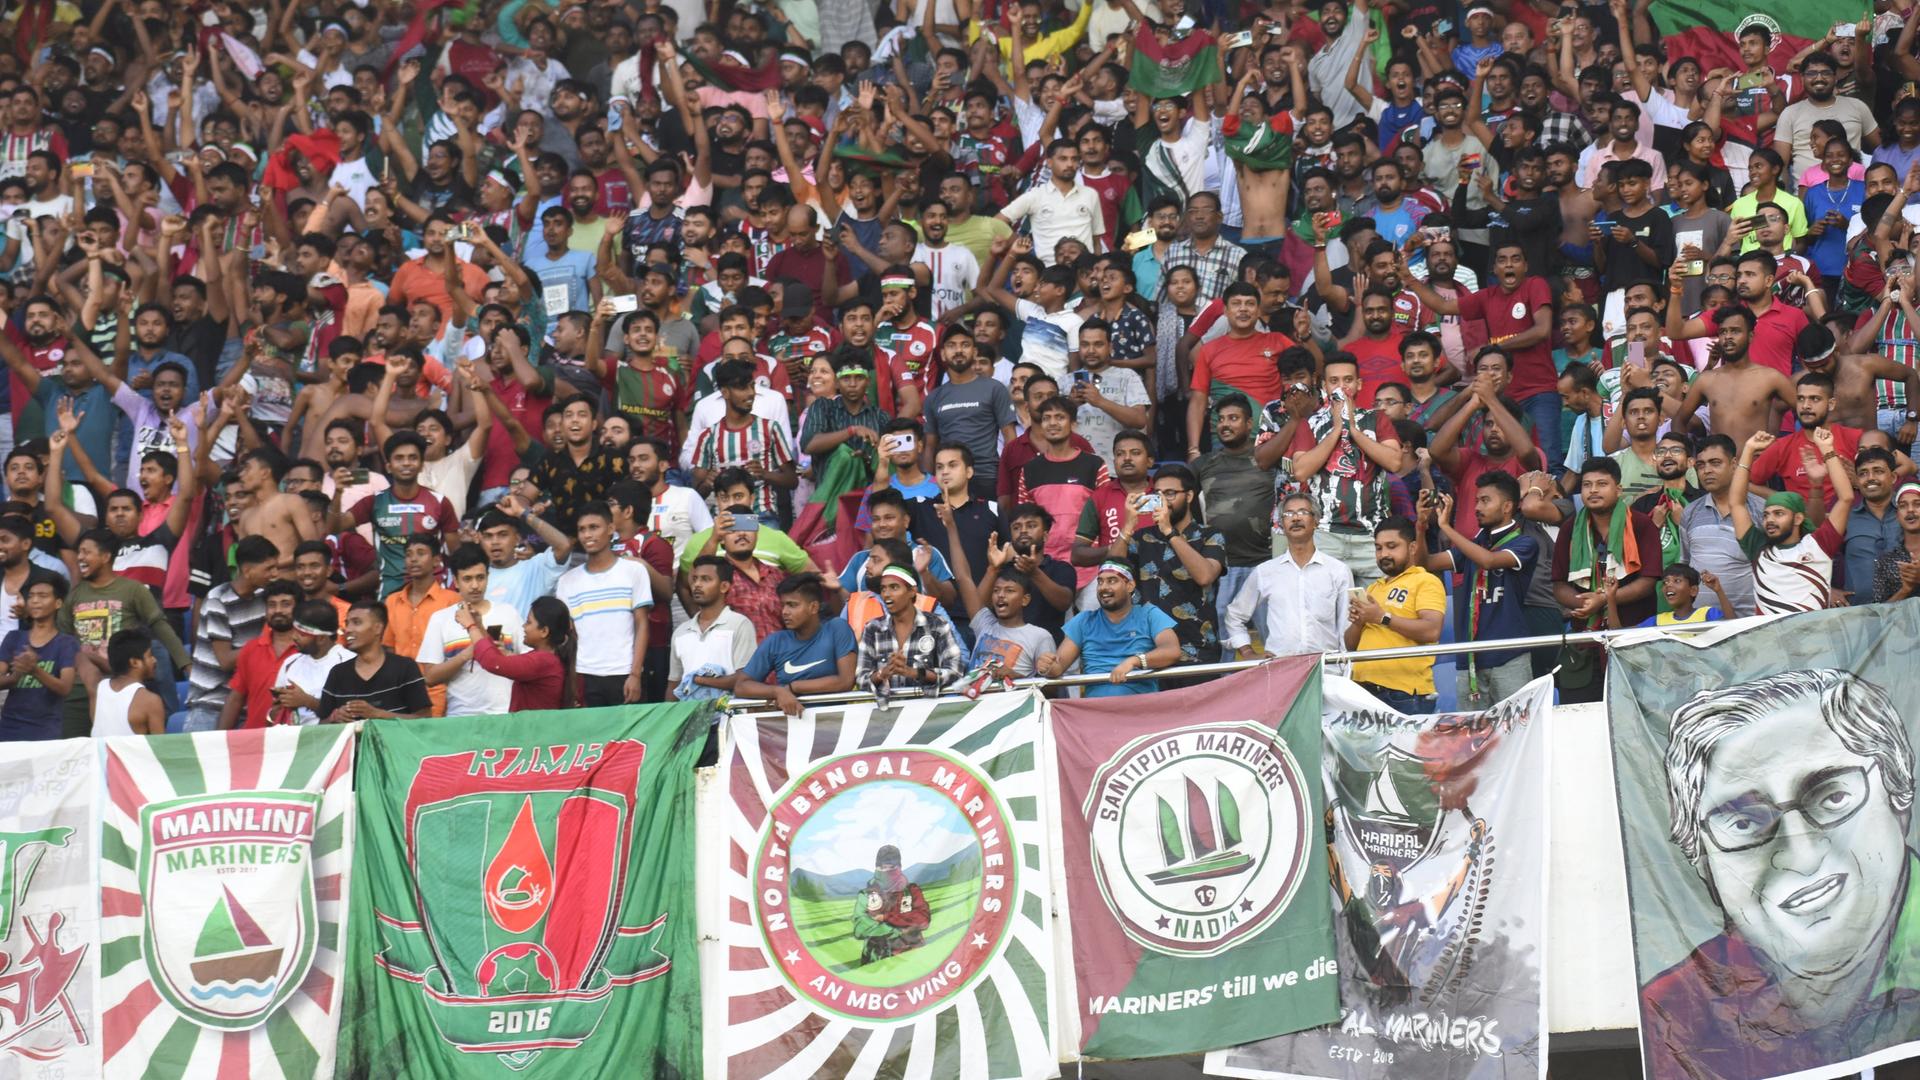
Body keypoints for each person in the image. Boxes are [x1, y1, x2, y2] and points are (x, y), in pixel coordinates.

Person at [1648, 670, 1920, 1080]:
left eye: (1833, 796)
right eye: (1743, 822)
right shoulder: (1677, 1011)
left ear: (1899, 792)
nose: (1801, 854)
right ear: (1702, 859)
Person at [1422, 473, 1543, 710]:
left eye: (1485, 500)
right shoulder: (1473, 546)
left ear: (1507, 506)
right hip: (1470, 658)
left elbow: (1488, 561)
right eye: (1476, 501)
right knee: (1472, 739)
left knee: (1515, 732)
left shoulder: (1524, 543)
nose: (1477, 507)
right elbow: (1426, 563)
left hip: (1509, 656)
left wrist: (1447, 526)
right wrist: (1420, 524)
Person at [1551, 458, 1663, 699]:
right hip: (1585, 645)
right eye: (1587, 485)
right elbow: (1558, 584)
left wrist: (1603, 599)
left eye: (1602, 484)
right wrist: (1583, 603)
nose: (1593, 490)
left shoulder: (1642, 525)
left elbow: (1648, 581)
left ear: (1618, 489)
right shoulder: (1570, 529)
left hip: (1634, 639)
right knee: (1581, 721)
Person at [1289, 355, 1405, 583]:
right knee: (1327, 614)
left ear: (1359, 384)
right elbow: (1301, 471)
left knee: (1373, 613)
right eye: (1334, 381)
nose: (1342, 387)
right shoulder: (1309, 423)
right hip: (1326, 535)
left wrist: (1353, 429)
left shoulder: (1377, 418)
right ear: (1324, 386)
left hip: (1372, 537)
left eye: (1348, 380)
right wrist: (1336, 430)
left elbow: (1394, 462)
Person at [1106, 465, 1226, 665]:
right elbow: (1112, 572)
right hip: (1148, 651)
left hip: (1198, 649)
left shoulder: (1210, 535)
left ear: (1189, 496)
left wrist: (1170, 532)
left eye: (1169, 494)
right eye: (1157, 494)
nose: (1162, 501)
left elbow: (1205, 576)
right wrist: (1127, 526)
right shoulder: (1141, 538)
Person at [1730, 428, 1855, 614]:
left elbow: (1845, 498)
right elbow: (1737, 504)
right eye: (1766, 515)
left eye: (1779, 514)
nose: (1770, 520)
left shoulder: (1818, 544)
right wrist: (1748, 450)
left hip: (1813, 641)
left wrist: (1827, 450)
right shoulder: (1758, 548)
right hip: (1769, 641)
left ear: (1798, 518)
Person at [1223, 492, 1355, 661]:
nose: (1295, 518)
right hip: (1281, 670)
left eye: (1302, 512)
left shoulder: (1338, 570)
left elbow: (1347, 625)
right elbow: (1234, 615)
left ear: (1316, 521)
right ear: (1282, 524)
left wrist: (1343, 668)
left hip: (1326, 668)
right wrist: (1247, 652)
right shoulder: (1265, 572)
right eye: (1288, 514)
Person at [555, 501, 652, 706]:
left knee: (627, 738)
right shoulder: (566, 581)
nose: (587, 535)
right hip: (583, 673)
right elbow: (569, 636)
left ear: (610, 529)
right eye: (582, 529)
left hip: (623, 672)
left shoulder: (633, 571)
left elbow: (642, 624)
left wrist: (635, 674)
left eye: (594, 527)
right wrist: (571, 680)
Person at [1035, 561, 1180, 696]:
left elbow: (1172, 651)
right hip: (1097, 712)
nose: (1103, 587)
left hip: (1142, 711)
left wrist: (1133, 661)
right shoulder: (1084, 620)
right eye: (1100, 581)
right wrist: (1048, 666)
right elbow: (1058, 667)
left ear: (1129, 585)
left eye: (1112, 581)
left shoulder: (1149, 614)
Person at [1346, 517, 1445, 712]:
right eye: (1378, 548)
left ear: (1413, 547)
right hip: (1362, 690)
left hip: (1403, 694)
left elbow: (1432, 630)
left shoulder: (1426, 581)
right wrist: (1358, 622)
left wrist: (1382, 617)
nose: (1384, 554)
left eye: (1392, 546)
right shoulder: (1373, 588)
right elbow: (1350, 646)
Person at [418, 545, 522, 717]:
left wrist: (506, 656)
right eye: (467, 579)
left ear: (488, 577)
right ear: (456, 582)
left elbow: (531, 663)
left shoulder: (508, 613)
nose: (475, 585)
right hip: (461, 718)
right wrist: (469, 653)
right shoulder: (440, 619)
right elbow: (430, 677)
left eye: (480, 577)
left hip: (505, 715)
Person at [735, 573, 857, 716]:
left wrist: (793, 687)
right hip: (791, 728)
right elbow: (741, 686)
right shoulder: (776, 641)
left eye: (792, 605)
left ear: (813, 607)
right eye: (783, 605)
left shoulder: (837, 629)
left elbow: (846, 681)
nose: (785, 612)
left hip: (836, 724)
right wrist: (777, 691)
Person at [855, 564, 967, 696]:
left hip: (928, 712)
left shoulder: (937, 625)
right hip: (887, 713)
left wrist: (915, 673)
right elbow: (861, 680)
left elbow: (956, 672)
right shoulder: (872, 629)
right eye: (883, 589)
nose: (886, 594)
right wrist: (882, 674)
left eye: (894, 587)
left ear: (912, 591)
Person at [319, 600, 433, 722]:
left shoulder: (405, 667)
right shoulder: (338, 673)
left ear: (378, 628)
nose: (348, 629)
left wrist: (377, 714)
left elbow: (424, 719)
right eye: (347, 623)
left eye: (357, 622)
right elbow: (322, 725)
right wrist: (334, 718)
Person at [459, 595, 578, 711]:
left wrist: (471, 626)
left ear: (544, 631)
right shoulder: (547, 658)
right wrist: (479, 625)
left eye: (528, 622)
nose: (524, 626)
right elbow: (496, 656)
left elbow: (493, 662)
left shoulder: (542, 661)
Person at [668, 557, 759, 700]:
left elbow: (745, 679)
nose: (697, 585)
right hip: (691, 719)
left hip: (729, 718)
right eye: (695, 579)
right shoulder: (680, 633)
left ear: (724, 586)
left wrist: (699, 680)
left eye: (705, 579)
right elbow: (674, 685)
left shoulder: (739, 624)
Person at [216, 580, 302, 730]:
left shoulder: (308, 650)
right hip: (254, 739)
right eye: (272, 605)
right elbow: (236, 699)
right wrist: (219, 738)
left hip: (296, 739)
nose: (278, 610)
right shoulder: (251, 648)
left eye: (286, 604)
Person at [0, 577, 76, 741]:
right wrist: (14, 677)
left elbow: (65, 688)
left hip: (45, 731)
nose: (35, 600)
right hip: (9, 729)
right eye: (31, 596)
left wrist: (35, 670)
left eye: (42, 596)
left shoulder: (66, 643)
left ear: (58, 603)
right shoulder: (13, 638)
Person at [268, 602, 354, 726]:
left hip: (332, 740)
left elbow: (347, 713)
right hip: (294, 740)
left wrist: (307, 701)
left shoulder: (348, 662)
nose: (294, 637)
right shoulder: (291, 662)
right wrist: (280, 704)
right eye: (294, 631)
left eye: (301, 634)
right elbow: (274, 713)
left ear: (321, 638)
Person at [91, 629, 166, 736]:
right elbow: (161, 749)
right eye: (150, 655)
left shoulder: (96, 690)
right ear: (134, 662)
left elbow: (81, 658)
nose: (154, 660)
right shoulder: (151, 701)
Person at [1636, 562, 1731, 627]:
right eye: (1665, 582)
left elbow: (1733, 628)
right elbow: (1625, 636)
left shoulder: (1707, 614)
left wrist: (1719, 591)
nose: (1669, 585)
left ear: (1693, 590)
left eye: (1677, 581)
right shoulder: (1657, 621)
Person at [1873, 481, 1920, 604]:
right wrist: (1905, 589)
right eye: (1903, 505)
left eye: (1917, 504)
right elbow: (1880, 614)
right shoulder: (1887, 561)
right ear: (1897, 516)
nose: (1910, 510)